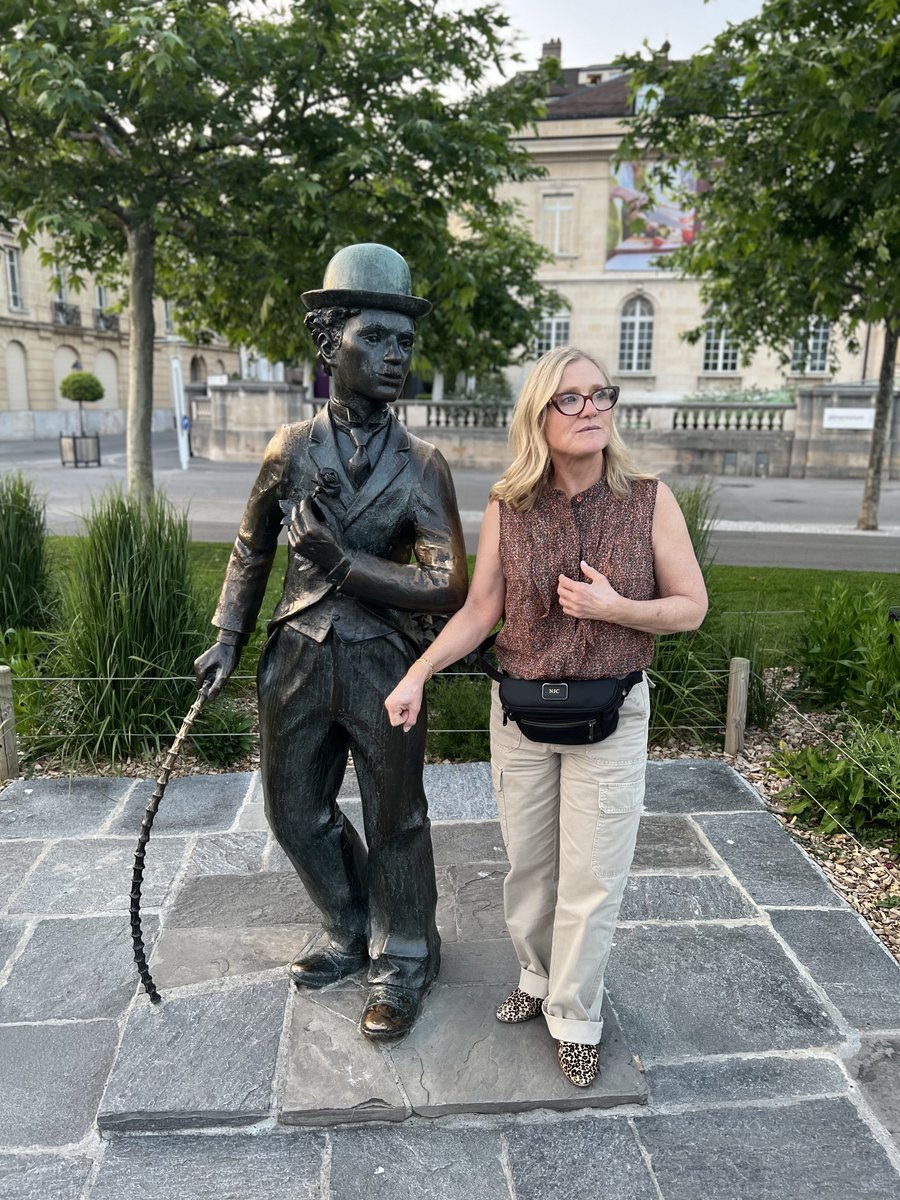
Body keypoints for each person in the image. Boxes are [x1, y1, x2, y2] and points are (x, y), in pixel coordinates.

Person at [385, 345, 707, 1085]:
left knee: (593, 876)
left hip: (611, 712)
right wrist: (418, 673)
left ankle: (575, 1014)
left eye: (602, 395)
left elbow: (691, 607)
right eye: (573, 399)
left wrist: (616, 608)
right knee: (531, 870)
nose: (592, 409)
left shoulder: (648, 499)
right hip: (523, 716)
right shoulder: (510, 506)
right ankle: (535, 979)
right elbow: (479, 611)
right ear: (540, 415)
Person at [195, 243, 467, 1041]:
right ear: (328, 345)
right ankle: (348, 926)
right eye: (375, 339)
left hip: (386, 663)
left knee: (397, 817)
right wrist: (228, 637)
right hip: (298, 659)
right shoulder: (289, 449)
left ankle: (407, 954)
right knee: (293, 810)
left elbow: (447, 584)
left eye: (405, 344)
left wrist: (346, 566)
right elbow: (250, 547)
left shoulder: (424, 465)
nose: (394, 357)